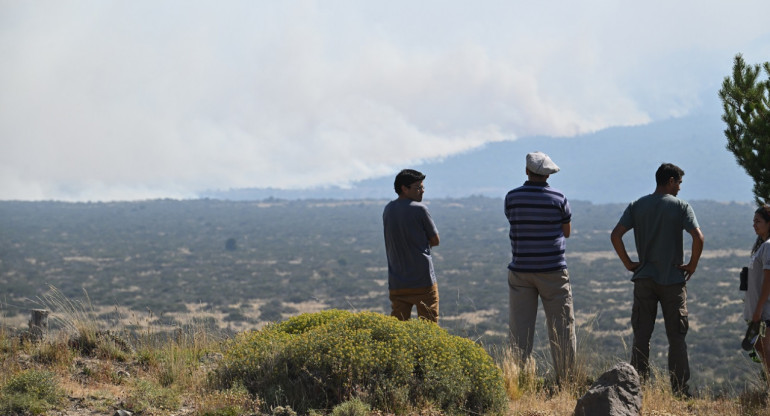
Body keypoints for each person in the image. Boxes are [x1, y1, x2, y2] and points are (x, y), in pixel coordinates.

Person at [610, 163, 705, 398]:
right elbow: (698, 237)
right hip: (673, 280)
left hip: (644, 279)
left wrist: (629, 263)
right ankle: (680, 391)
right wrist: (691, 265)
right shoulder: (681, 207)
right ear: (671, 180)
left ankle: (636, 389)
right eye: (679, 183)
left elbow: (615, 235)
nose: (679, 188)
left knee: (642, 335)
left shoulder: (638, 205)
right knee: (677, 337)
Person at [505, 151, 576, 383]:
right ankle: (566, 380)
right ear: (548, 174)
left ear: (527, 171)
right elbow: (566, 231)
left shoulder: (512, 197)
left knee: (520, 329)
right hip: (553, 270)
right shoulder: (559, 198)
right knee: (562, 328)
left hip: (521, 270)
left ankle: (517, 381)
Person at [383, 169, 440, 322]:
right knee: (428, 326)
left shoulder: (388, 209)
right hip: (422, 280)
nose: (422, 191)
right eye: (418, 187)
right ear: (404, 188)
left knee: (398, 328)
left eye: (422, 187)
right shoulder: (420, 209)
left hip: (397, 282)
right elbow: (435, 240)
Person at [743, 205, 770, 376]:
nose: (754, 224)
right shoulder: (762, 246)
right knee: (761, 349)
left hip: (766, 312)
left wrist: (759, 310)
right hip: (759, 312)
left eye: (758, 221)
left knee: (767, 353)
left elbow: (768, 280)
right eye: (753, 221)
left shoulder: (768, 246)